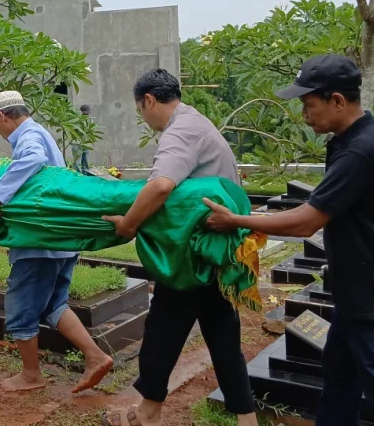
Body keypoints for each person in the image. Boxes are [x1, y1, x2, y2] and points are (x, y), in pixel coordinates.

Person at [203, 55, 374, 426]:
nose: (305, 115)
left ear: (338, 101)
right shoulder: (346, 140)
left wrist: (237, 221)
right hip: (357, 293)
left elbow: (307, 222)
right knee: (340, 378)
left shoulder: (361, 150)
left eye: (309, 105)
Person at [101, 69, 257, 426]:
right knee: (222, 338)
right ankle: (246, 420)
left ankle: (147, 414)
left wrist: (128, 224)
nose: (144, 117)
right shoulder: (195, 121)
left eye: (140, 110)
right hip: (212, 253)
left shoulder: (181, 131)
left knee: (162, 334)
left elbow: (160, 187)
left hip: (194, 260)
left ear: (150, 101)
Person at [0, 90, 114, 394]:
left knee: (21, 307)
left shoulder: (29, 138)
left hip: (39, 244)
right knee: (54, 305)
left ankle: (30, 375)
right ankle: (95, 356)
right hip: (60, 241)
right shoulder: (40, 134)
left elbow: (32, 160)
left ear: (2, 116)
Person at [73, 104, 92, 172]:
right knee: (77, 163)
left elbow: (91, 131)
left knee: (85, 162)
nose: (86, 115)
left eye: (87, 114)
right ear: (81, 112)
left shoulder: (90, 120)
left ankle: (85, 177)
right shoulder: (76, 120)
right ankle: (78, 177)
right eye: (84, 114)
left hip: (85, 144)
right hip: (77, 143)